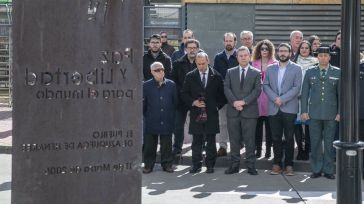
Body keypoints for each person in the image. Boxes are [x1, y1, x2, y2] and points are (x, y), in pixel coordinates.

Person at [181, 52, 226, 174]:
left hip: (211, 113)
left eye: (203, 63)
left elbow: (223, 96)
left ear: (208, 61)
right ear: (196, 62)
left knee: (211, 141)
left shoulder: (216, 76)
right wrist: (193, 102)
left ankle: (210, 165)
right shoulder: (190, 76)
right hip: (196, 113)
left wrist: (216, 106)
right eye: (198, 64)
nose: (201, 66)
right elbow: (184, 94)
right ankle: (196, 165)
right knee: (197, 141)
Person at [301, 46, 340, 180]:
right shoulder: (310, 72)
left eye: (326, 56)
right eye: (320, 56)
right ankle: (316, 169)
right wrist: (304, 111)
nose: (323, 58)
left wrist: (340, 112)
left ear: (329, 57)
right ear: (317, 57)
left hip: (331, 113)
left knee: (329, 143)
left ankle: (329, 170)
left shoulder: (337, 72)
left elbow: (340, 95)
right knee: (315, 142)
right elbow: (305, 93)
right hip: (314, 113)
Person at [263, 43, 302, 176]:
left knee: (290, 137)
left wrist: (282, 99)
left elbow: (297, 87)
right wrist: (275, 99)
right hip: (274, 107)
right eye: (281, 51)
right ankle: (277, 164)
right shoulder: (270, 68)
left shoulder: (297, 68)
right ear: (277, 53)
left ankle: (289, 165)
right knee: (276, 137)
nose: (283, 53)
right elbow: (265, 85)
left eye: (285, 51)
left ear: (290, 53)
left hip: (289, 108)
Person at [223, 46, 261, 175]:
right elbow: (226, 88)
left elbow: (257, 91)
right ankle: (234, 165)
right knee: (234, 140)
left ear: (249, 56)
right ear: (237, 57)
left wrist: (243, 102)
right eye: (241, 55)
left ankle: (251, 165)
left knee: (250, 140)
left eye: (245, 55)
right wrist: (234, 102)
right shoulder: (230, 72)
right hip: (233, 111)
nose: (243, 57)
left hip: (249, 111)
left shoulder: (256, 72)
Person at [143, 62, 177, 174]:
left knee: (166, 144)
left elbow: (175, 101)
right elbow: (143, 104)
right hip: (152, 119)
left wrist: (172, 115)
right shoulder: (146, 85)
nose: (160, 71)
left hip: (167, 118)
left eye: (162, 69)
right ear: (152, 72)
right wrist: (147, 116)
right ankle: (148, 165)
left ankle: (167, 164)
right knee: (149, 145)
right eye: (157, 70)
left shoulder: (171, 84)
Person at [170, 39, 200, 155]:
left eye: (194, 48)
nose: (192, 50)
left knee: (198, 125)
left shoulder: (202, 62)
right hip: (181, 100)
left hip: (197, 100)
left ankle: (198, 148)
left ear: (197, 49)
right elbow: (173, 82)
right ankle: (177, 148)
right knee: (178, 125)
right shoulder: (177, 63)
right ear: (185, 49)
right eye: (190, 48)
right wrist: (184, 95)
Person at [213, 32, 239, 157]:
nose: (228, 43)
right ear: (224, 42)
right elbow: (216, 75)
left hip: (236, 96)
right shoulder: (218, 57)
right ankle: (222, 146)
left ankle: (236, 146)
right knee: (222, 122)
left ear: (235, 42)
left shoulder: (240, 55)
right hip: (222, 96)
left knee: (235, 123)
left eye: (231, 41)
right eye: (226, 41)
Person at [293, 40, 318, 161]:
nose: (304, 50)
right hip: (295, 98)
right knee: (296, 125)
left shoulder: (315, 63)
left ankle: (307, 150)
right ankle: (300, 150)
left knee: (308, 125)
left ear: (310, 50)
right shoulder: (293, 62)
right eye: (302, 48)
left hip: (310, 99)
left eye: (306, 48)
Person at [251, 39, 277, 158]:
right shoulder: (254, 63)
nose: (264, 51)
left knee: (270, 128)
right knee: (257, 128)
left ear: (270, 50)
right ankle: (258, 150)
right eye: (262, 48)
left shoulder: (275, 63)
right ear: (259, 50)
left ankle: (268, 151)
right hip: (257, 98)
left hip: (270, 98)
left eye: (267, 49)